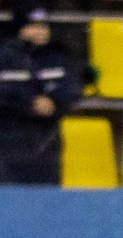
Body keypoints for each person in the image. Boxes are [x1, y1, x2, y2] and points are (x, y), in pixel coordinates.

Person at [0, 7, 80, 186]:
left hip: (47, 142)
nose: (40, 31)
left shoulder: (58, 56)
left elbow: (71, 88)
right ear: (20, 28)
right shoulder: (4, 57)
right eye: (33, 26)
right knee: (10, 195)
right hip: (8, 140)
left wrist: (54, 103)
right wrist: (29, 103)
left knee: (46, 196)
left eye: (43, 26)